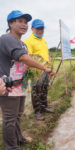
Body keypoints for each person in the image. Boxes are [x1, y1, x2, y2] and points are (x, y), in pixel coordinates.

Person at [0, 10, 52, 150]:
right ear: (11, 23)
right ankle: (11, 147)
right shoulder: (7, 38)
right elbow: (23, 58)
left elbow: (24, 64)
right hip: (8, 86)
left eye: (26, 22)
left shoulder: (21, 43)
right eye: (20, 21)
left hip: (19, 85)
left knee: (18, 115)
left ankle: (19, 138)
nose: (24, 25)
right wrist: (43, 68)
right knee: (10, 118)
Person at [25, 19, 55, 120]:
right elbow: (29, 58)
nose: (40, 30)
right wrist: (41, 67)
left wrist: (50, 68)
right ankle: (37, 112)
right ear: (32, 28)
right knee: (36, 91)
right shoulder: (28, 41)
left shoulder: (44, 40)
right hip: (36, 71)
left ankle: (44, 107)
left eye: (42, 28)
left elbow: (47, 55)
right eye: (38, 28)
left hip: (46, 70)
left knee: (44, 89)